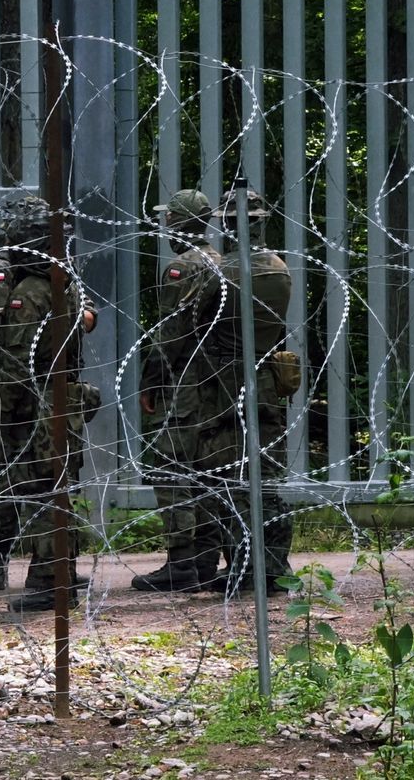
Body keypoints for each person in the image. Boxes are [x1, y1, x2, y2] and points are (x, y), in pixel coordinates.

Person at [141, 187, 297, 595]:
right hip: (263, 379)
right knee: (260, 476)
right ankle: (268, 565)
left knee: (222, 477)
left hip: (218, 384)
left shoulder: (221, 271)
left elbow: (179, 330)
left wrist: (152, 379)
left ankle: (242, 566)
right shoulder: (277, 267)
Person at [0, 195, 100, 612]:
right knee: (54, 486)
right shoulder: (56, 280)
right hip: (50, 397)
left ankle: (49, 581)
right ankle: (54, 572)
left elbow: (15, 355)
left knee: (42, 487)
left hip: (32, 404)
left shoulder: (33, 290)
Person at [132, 189, 224, 591]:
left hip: (186, 381)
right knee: (206, 469)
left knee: (169, 467)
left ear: (180, 223)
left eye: (169, 219)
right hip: (219, 381)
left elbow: (171, 333)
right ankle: (205, 559)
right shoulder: (221, 262)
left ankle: (181, 562)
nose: (165, 226)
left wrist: (150, 381)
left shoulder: (182, 268)